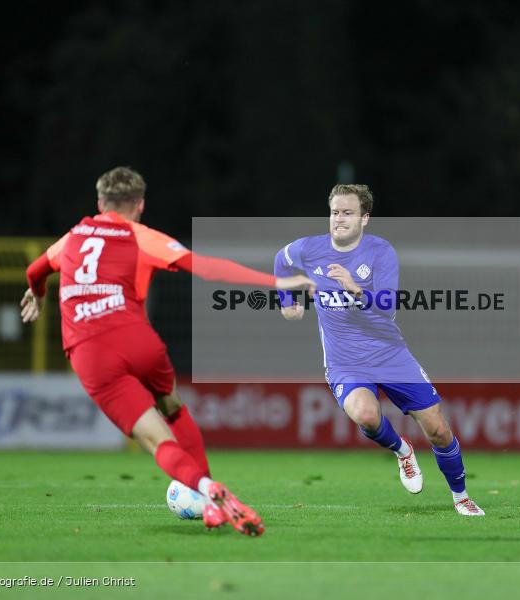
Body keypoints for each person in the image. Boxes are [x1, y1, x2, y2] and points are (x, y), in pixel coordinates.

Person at [20, 166, 316, 535]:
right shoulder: (142, 237)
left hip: (90, 353)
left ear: (99, 202)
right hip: (136, 339)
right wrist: (278, 281)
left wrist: (39, 294)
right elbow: (208, 269)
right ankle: (210, 496)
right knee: (172, 406)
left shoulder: (71, 239)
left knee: (156, 440)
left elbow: (35, 271)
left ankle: (208, 493)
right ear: (140, 204)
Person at [274, 184, 484, 516]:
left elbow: (386, 306)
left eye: (347, 213)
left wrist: (355, 288)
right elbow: (280, 261)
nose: (338, 219)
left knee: (438, 430)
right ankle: (403, 452)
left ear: (365, 218)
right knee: (367, 416)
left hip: (390, 355)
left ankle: (461, 497)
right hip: (345, 364)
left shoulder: (380, 252)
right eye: (334, 212)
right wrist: (288, 301)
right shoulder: (308, 249)